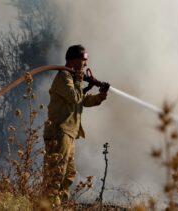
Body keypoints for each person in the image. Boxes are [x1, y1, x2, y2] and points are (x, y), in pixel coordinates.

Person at [43, 44, 110, 206]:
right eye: (83, 60)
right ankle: (48, 206)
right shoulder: (63, 77)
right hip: (60, 133)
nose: (85, 64)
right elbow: (74, 97)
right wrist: (80, 81)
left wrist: (101, 95)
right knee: (56, 174)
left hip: (69, 134)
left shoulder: (73, 79)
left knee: (69, 174)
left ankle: (60, 205)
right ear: (72, 60)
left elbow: (83, 100)